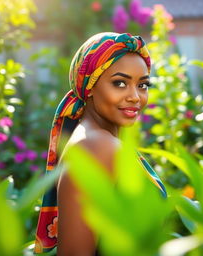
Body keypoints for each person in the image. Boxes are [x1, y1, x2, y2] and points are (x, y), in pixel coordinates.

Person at [34, 32, 166, 255]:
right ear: (90, 86)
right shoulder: (96, 146)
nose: (135, 96)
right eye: (120, 83)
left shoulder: (97, 140)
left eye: (143, 85)